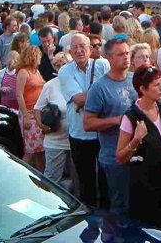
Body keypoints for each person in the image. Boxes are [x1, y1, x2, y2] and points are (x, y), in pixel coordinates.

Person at [116, 65, 161, 231]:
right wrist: (135, 140)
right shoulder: (130, 117)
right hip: (144, 186)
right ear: (142, 89)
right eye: (156, 85)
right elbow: (119, 157)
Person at [83, 38, 138, 216]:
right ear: (109, 58)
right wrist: (118, 121)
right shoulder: (99, 88)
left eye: (127, 53)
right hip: (114, 157)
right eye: (120, 54)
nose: (126, 57)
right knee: (120, 207)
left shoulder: (135, 79)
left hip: (138, 155)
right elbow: (88, 123)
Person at [58, 33, 111, 208]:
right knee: (86, 181)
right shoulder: (65, 71)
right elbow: (78, 100)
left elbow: (108, 94)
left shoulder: (103, 65)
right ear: (70, 52)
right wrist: (99, 95)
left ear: (90, 49)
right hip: (79, 134)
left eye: (83, 46)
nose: (80, 51)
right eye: (75, 48)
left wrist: (91, 97)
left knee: (105, 180)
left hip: (102, 133)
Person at [34, 51, 74, 189]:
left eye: (65, 64)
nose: (62, 67)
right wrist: (41, 125)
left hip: (75, 141)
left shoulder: (78, 82)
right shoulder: (50, 85)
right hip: (55, 141)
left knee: (77, 180)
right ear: (55, 68)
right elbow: (37, 108)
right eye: (58, 65)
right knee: (51, 180)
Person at [16, 46, 46, 171]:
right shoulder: (23, 72)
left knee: (40, 150)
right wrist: (26, 116)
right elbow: (19, 94)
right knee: (30, 150)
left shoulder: (37, 71)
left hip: (38, 113)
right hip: (29, 113)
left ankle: (41, 175)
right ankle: (19, 173)